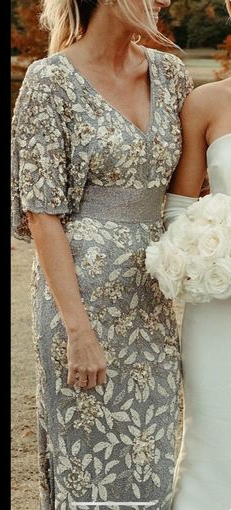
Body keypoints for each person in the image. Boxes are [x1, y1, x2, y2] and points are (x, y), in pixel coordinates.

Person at [11, 0, 194, 508]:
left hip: (150, 304)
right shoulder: (49, 81)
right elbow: (42, 213)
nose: (164, 1)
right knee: (89, 468)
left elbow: (186, 190)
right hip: (81, 303)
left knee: (151, 460)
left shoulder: (171, 74)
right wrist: (78, 330)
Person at [163, 2, 231, 509]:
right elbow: (180, 210)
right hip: (218, 305)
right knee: (214, 429)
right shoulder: (207, 101)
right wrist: (205, 256)